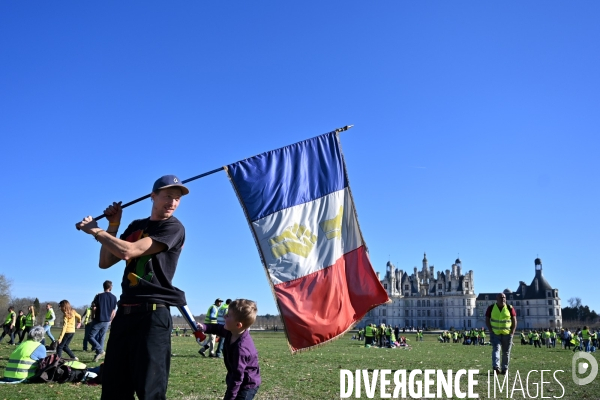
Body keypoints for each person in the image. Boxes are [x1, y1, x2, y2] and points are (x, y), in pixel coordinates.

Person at [76, 174, 189, 400]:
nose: (173, 202)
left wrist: (96, 231)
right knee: (114, 386)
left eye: (177, 198)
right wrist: (113, 225)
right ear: (153, 196)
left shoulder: (173, 227)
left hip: (153, 315)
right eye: (168, 196)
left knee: (150, 391)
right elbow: (106, 261)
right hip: (125, 314)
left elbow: (128, 251)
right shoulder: (137, 226)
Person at [196, 299, 261, 400]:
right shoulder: (231, 332)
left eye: (228, 315)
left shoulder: (241, 349)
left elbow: (237, 378)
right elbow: (216, 328)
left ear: (238, 325)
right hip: (236, 379)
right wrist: (204, 327)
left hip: (247, 385)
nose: (224, 316)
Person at [485, 293, 517, 375]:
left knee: (506, 352)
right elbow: (487, 320)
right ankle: (496, 367)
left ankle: (505, 369)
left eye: (504, 297)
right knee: (496, 349)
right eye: (501, 297)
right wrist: (491, 331)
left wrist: (512, 332)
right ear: (497, 298)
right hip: (495, 334)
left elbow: (514, 320)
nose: (503, 299)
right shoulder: (491, 308)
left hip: (507, 334)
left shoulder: (510, 308)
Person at [88, 281, 118, 362]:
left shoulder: (98, 296)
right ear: (110, 287)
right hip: (107, 320)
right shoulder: (114, 297)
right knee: (102, 337)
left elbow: (94, 308)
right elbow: (113, 311)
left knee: (90, 336)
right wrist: (111, 320)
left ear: (104, 286)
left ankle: (100, 351)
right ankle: (99, 354)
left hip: (98, 319)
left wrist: (92, 317)